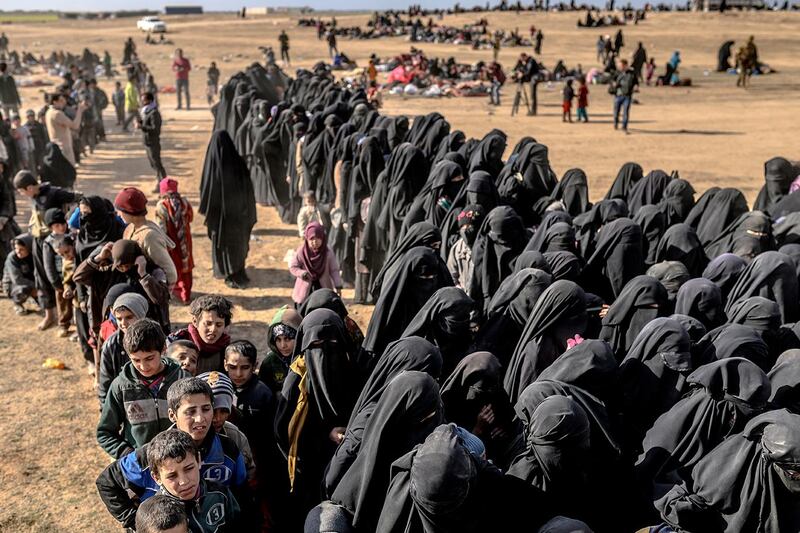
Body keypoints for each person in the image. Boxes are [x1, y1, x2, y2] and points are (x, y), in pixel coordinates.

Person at [96, 377, 247, 530]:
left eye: (206, 409)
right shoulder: (153, 454)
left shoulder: (228, 449)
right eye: (190, 411)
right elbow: (106, 482)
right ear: (172, 415)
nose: (200, 418)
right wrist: (136, 522)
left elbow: (242, 493)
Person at [96, 318, 188, 458]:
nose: (143, 367)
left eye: (149, 358)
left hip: (179, 462)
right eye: (136, 360)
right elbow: (105, 433)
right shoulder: (121, 387)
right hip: (140, 465)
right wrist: (128, 454)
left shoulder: (182, 380)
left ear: (163, 349)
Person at [14, 170, 80, 331]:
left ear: (29, 188)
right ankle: (49, 314)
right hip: (38, 241)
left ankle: (69, 316)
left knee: (63, 277)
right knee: (42, 277)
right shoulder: (34, 198)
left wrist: (71, 222)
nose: (22, 195)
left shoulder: (54, 193)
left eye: (22, 191)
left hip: (56, 242)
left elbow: (79, 198)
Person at [147, 430, 242, 532]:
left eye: (189, 469)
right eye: (172, 476)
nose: (184, 481)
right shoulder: (156, 517)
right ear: (157, 477)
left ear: (198, 460)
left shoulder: (220, 493)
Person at [198, 131, 256, 289]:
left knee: (224, 244)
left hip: (222, 220)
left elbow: (205, 192)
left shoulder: (212, 167)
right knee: (238, 244)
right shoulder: (239, 163)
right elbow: (249, 192)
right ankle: (237, 271)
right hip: (239, 217)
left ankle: (228, 272)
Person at [114, 187, 177, 287]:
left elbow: (171, 274)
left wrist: (159, 295)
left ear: (130, 211)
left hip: (147, 293)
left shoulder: (150, 236)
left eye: (121, 210)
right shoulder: (130, 229)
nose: (118, 214)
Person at [96, 292, 150, 406]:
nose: (123, 323)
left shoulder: (156, 339)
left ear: (141, 315)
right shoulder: (111, 345)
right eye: (119, 319)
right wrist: (106, 411)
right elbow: (105, 385)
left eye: (129, 317)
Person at [168, 294, 232, 373]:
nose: (213, 329)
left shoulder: (226, 349)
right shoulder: (176, 343)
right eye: (208, 323)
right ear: (195, 321)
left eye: (219, 325)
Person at [155, 178, 194, 303]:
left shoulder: (162, 206)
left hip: (171, 244)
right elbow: (191, 218)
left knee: (174, 267)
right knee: (186, 267)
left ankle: (176, 292)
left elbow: (161, 228)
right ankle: (186, 295)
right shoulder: (184, 202)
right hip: (185, 242)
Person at [290, 221, 342, 307]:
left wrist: (338, 286)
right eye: (311, 239)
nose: (315, 241)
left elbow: (334, 270)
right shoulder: (302, 252)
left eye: (318, 238)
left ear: (322, 238)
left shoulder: (327, 252)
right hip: (305, 291)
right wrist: (302, 273)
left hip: (322, 289)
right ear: (307, 239)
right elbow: (293, 267)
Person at [259, 305, 301, 394]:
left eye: (288, 339)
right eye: (278, 339)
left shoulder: (306, 359)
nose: (283, 345)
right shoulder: (269, 362)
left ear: (299, 337)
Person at [44, 92, 86, 166]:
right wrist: (80, 111)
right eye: (61, 100)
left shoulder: (49, 112)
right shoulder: (57, 114)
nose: (64, 102)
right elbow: (75, 125)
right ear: (54, 102)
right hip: (63, 148)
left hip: (58, 147)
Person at [138, 92, 167, 187]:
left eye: (144, 100)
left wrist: (142, 126)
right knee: (154, 164)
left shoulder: (154, 113)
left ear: (149, 101)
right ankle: (160, 183)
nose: (142, 102)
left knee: (157, 164)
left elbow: (155, 129)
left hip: (153, 143)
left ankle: (163, 184)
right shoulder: (146, 112)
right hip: (147, 143)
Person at [2, 233, 36, 314]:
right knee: (23, 289)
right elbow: (17, 280)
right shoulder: (12, 258)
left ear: (29, 248)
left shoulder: (34, 256)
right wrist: (36, 286)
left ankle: (34, 297)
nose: (18, 252)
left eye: (21, 249)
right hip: (12, 285)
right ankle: (17, 303)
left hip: (30, 281)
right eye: (16, 248)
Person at [612, 58, 637, 134]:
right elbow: (612, 80)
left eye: (621, 65)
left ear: (626, 65)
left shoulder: (632, 73)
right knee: (616, 111)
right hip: (618, 95)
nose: (620, 67)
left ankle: (624, 127)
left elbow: (636, 82)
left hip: (627, 95)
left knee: (626, 111)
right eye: (619, 66)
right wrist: (614, 84)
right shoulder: (617, 73)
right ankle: (616, 123)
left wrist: (636, 87)